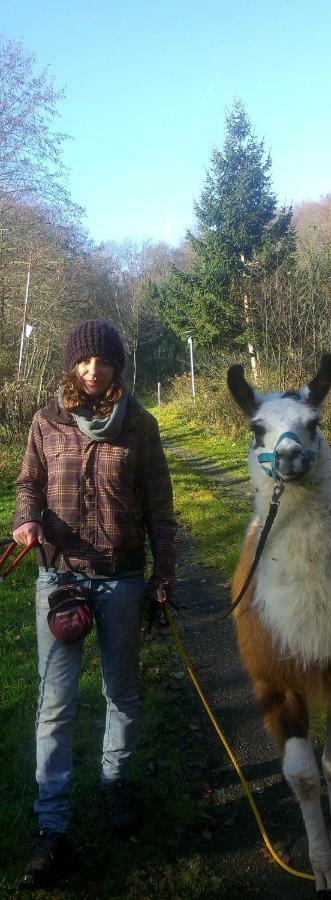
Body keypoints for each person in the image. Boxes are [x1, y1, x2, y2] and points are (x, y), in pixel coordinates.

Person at [12, 319, 177, 889]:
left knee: (121, 691)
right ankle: (51, 826)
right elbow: (28, 483)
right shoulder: (46, 422)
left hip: (124, 578)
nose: (92, 370)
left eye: (102, 361)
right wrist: (25, 521)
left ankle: (115, 783)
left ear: (116, 367)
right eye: (83, 361)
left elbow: (160, 505)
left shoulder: (141, 426)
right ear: (71, 366)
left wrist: (165, 572)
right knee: (55, 705)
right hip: (58, 577)